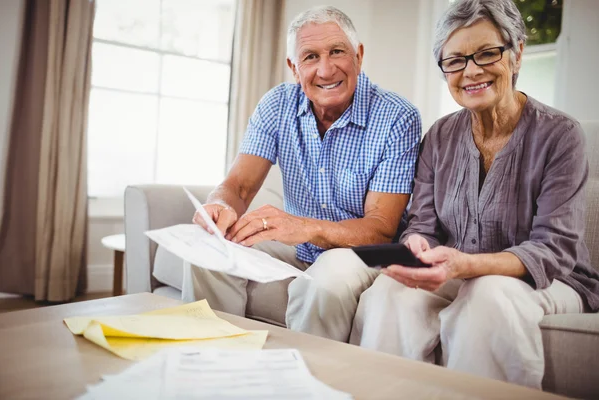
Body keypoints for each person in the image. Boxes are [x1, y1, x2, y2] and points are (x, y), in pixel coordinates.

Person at [350, 0, 599, 389]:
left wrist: (467, 265)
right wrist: (418, 244)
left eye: (487, 53)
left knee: (489, 294)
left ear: (516, 55)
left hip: (551, 281)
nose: (471, 71)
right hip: (459, 271)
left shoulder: (560, 135)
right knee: (390, 292)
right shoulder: (438, 136)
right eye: (455, 60)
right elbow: (424, 224)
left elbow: (554, 249)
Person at [182, 6, 422, 342]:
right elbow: (239, 184)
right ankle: (214, 359)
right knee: (207, 250)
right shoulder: (277, 104)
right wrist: (220, 205)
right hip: (301, 245)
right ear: (294, 68)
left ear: (359, 55)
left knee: (325, 281)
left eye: (337, 51)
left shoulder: (397, 116)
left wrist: (303, 227)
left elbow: (381, 229)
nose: (326, 69)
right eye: (310, 56)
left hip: (365, 251)